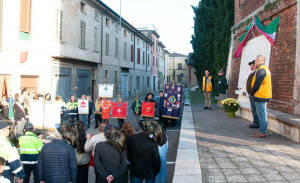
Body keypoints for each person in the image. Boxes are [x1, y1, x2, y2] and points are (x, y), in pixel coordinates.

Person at [250, 55, 272, 138]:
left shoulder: (261, 70)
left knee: (261, 114)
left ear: (259, 61)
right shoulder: (265, 69)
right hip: (263, 95)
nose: (255, 62)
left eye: (256, 60)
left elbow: (257, 83)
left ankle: (262, 131)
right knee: (263, 113)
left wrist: (252, 93)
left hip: (260, 95)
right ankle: (263, 130)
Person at [246, 60, 260, 129]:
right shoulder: (252, 73)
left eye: (251, 65)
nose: (250, 66)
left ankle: (256, 123)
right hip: (251, 94)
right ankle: (255, 122)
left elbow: (255, 84)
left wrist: (252, 93)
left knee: (254, 109)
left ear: (254, 65)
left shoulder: (256, 73)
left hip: (254, 94)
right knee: (253, 109)